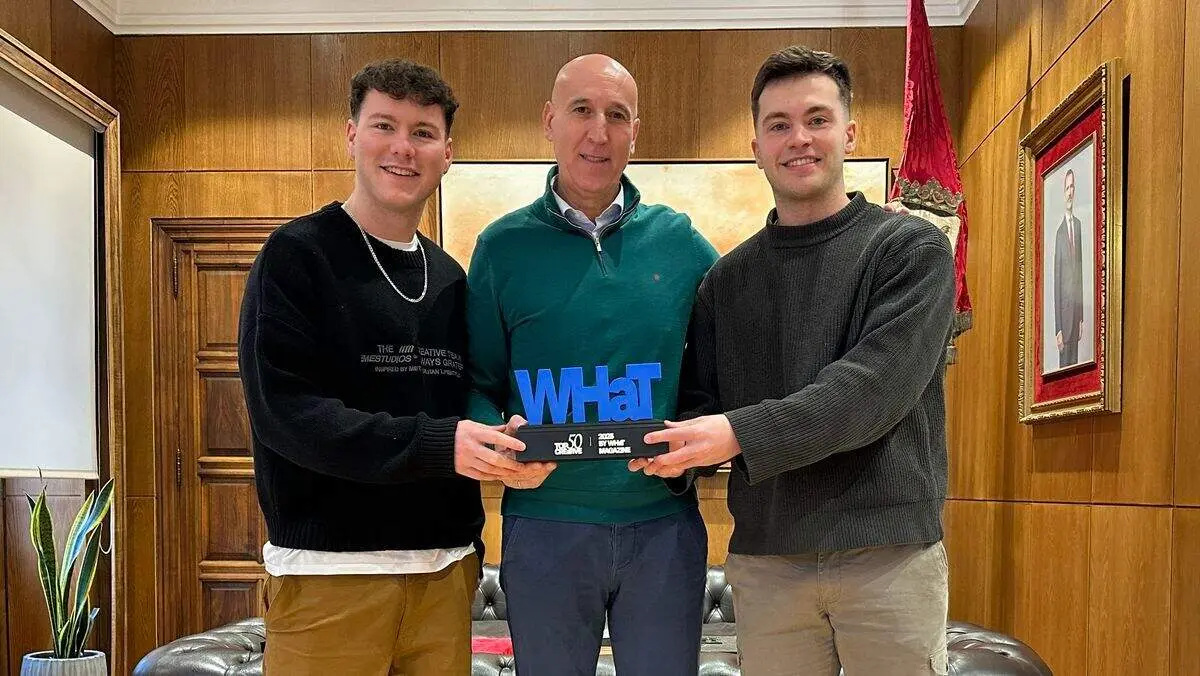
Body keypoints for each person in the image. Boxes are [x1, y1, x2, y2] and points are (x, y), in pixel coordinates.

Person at [632, 45, 957, 675]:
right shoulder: (725, 282)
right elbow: (702, 405)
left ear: (850, 134)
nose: (798, 139)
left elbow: (868, 392)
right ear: (756, 145)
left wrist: (733, 433)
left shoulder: (910, 250)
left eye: (817, 119)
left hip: (887, 558)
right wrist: (659, 451)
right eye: (779, 124)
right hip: (767, 565)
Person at [238, 58, 538, 675]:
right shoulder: (297, 256)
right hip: (330, 580)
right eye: (384, 125)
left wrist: (504, 439)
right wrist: (441, 445)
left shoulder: (451, 277)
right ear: (352, 135)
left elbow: (464, 404)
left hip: (447, 575)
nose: (403, 147)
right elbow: (285, 414)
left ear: (447, 153)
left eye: (422, 132)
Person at [465, 53, 719, 676]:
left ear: (636, 132)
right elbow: (477, 384)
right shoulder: (501, 248)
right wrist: (498, 445)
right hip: (544, 525)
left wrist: (698, 442)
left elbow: (723, 374)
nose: (598, 132)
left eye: (617, 115)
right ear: (550, 121)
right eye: (581, 110)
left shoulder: (682, 244)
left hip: (662, 527)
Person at [1053, 168, 1085, 368]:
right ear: (1063, 193)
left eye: (1072, 187)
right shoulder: (1059, 234)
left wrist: (1081, 317)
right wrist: (1058, 328)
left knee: (1077, 372)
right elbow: (1057, 283)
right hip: (1064, 321)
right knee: (1064, 371)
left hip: (1075, 318)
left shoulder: (1079, 226)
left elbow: (1080, 274)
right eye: (1067, 188)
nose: (1070, 192)